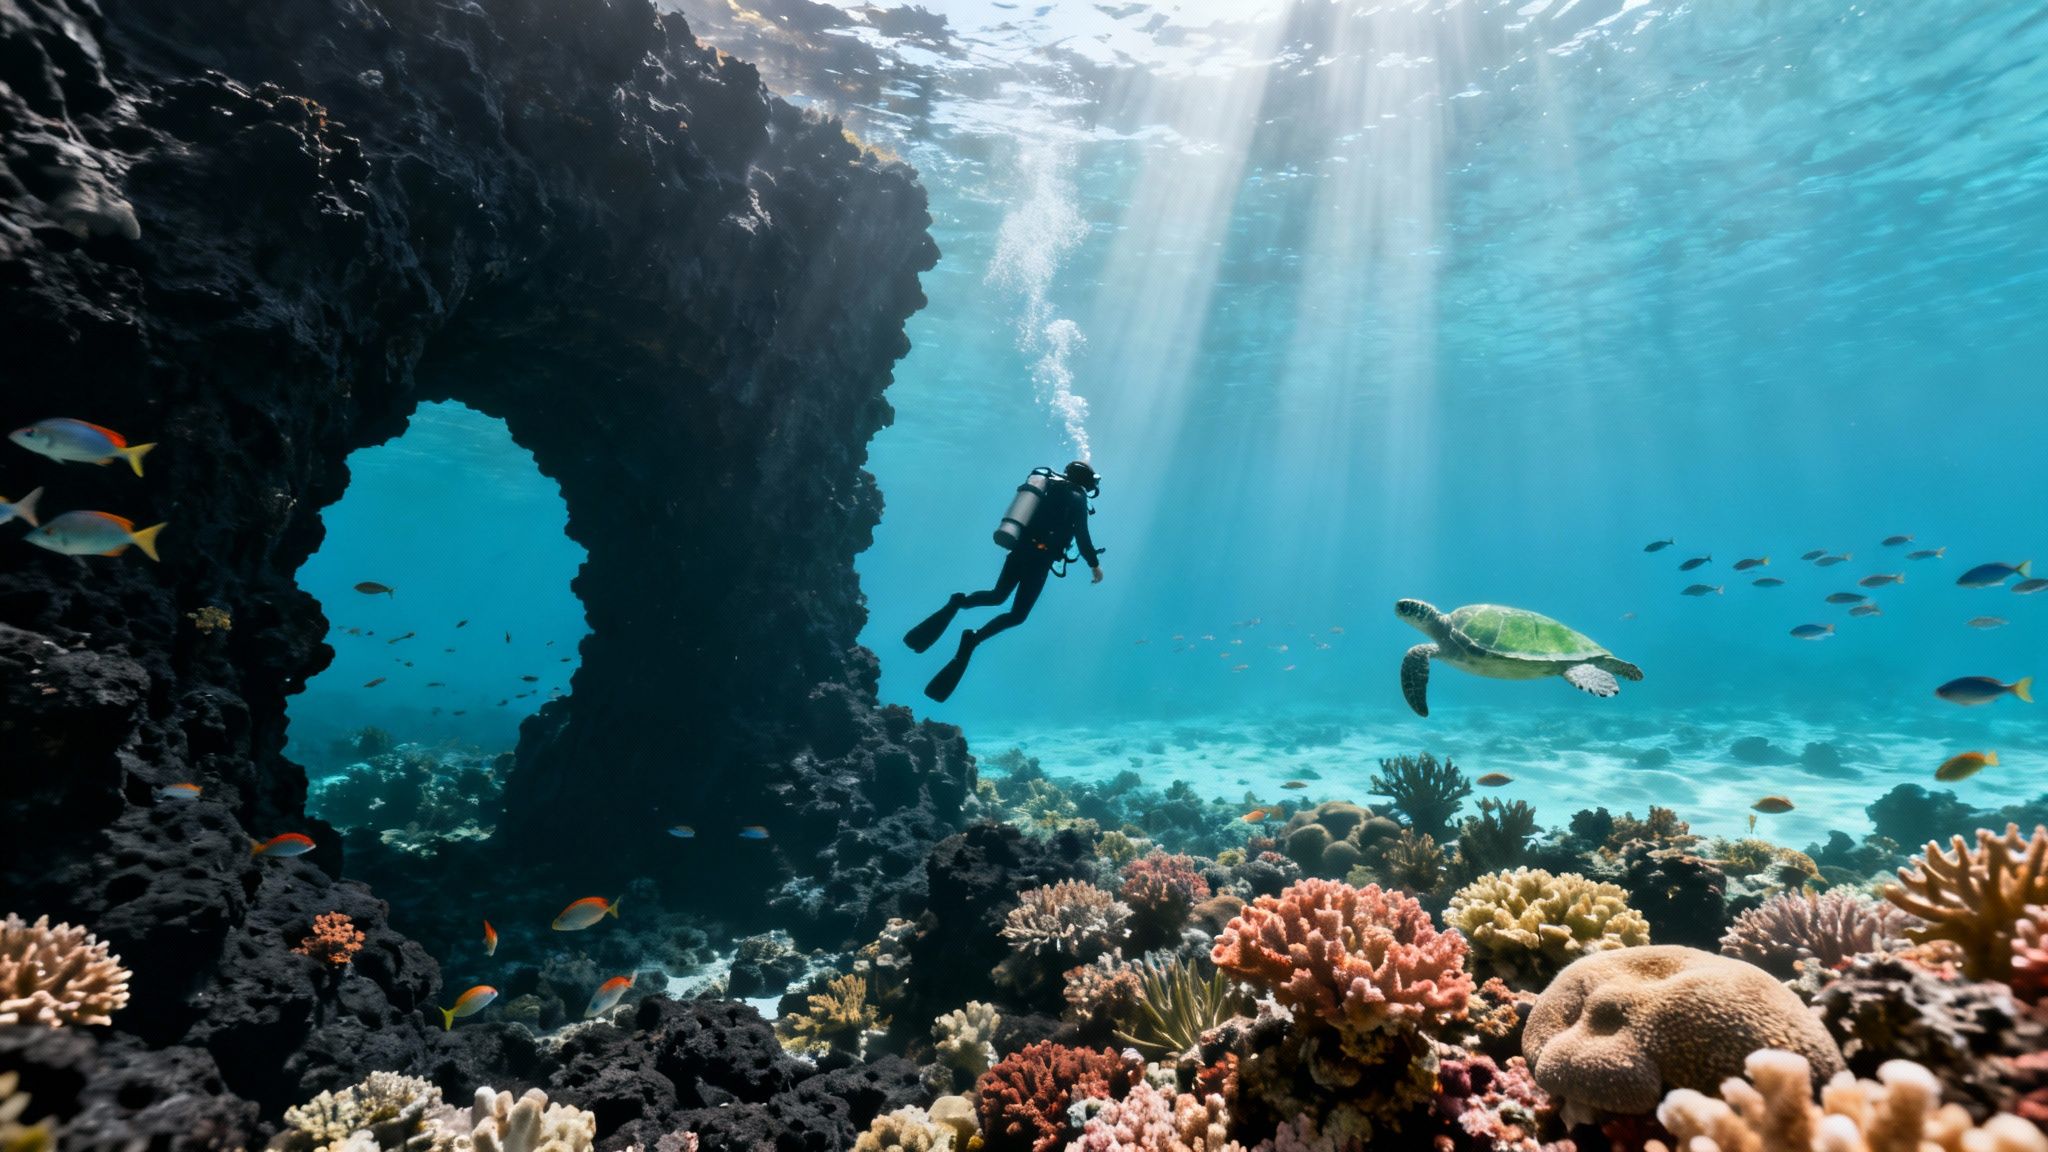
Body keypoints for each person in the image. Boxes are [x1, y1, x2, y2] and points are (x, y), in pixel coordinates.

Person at [906, 460, 1104, 702]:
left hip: (1019, 551)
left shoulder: (1049, 485)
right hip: (1039, 561)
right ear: (1085, 480)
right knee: (1018, 615)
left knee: (997, 595)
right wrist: (1094, 566)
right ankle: (973, 639)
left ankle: (958, 602)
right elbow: (1082, 536)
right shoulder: (1077, 497)